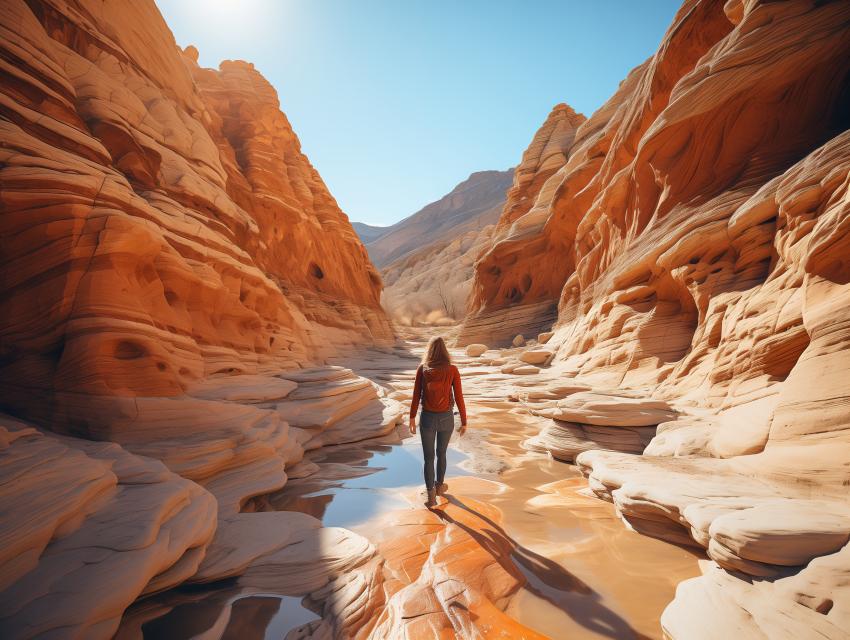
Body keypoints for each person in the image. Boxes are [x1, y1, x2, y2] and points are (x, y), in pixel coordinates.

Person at [409, 336, 467, 508]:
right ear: (445, 351)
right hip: (446, 418)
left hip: (427, 417)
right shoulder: (453, 370)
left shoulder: (422, 369)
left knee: (428, 457)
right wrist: (464, 421)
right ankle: (440, 485)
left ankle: (431, 497)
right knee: (441, 453)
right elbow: (459, 397)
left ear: (429, 350)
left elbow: (415, 395)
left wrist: (412, 418)